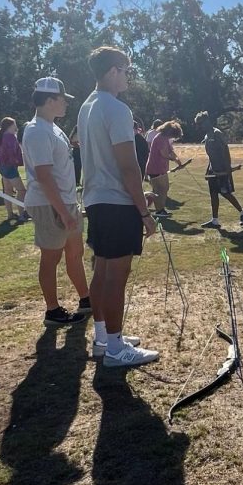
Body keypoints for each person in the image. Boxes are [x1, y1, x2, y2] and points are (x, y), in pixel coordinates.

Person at [76, 47, 160, 368]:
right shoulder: (116, 108)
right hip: (117, 203)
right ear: (112, 71)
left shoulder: (87, 107)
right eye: (125, 70)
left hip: (97, 199)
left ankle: (104, 337)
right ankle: (114, 347)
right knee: (116, 275)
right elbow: (128, 167)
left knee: (102, 270)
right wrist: (143, 211)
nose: (127, 76)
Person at [21, 78, 92, 327]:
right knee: (51, 257)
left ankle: (86, 300)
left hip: (64, 202)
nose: (65, 104)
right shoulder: (37, 130)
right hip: (50, 204)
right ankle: (52, 310)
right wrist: (62, 211)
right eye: (62, 99)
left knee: (75, 252)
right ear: (50, 100)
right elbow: (43, 176)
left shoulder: (52, 128)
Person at [194, 110, 243, 229]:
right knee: (213, 194)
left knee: (225, 193)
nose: (201, 126)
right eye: (199, 124)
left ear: (207, 121)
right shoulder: (207, 136)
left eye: (202, 123)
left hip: (222, 170)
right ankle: (215, 220)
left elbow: (225, 150)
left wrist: (228, 167)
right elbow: (211, 156)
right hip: (213, 171)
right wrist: (208, 170)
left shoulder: (217, 133)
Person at [0, 117, 28, 222]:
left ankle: (10, 214)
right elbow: (9, 151)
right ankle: (22, 214)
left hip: (3, 167)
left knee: (8, 191)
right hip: (10, 167)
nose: (16, 126)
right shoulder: (10, 137)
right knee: (22, 190)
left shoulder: (1, 136)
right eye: (14, 124)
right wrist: (11, 160)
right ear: (10, 125)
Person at [145, 120, 183, 217]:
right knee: (161, 189)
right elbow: (164, 154)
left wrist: (178, 162)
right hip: (155, 168)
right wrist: (172, 159)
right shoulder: (160, 138)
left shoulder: (165, 139)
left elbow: (171, 152)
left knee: (162, 189)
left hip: (160, 168)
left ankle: (160, 209)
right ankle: (159, 210)